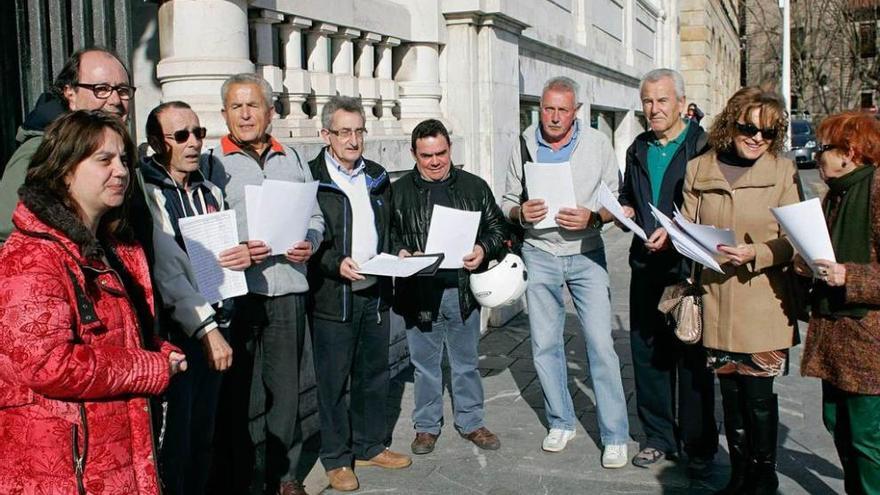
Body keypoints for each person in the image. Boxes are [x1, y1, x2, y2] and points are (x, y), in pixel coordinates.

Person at [0, 110, 185, 494]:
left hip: (115, 455)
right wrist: (150, 366)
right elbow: (48, 364)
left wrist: (158, 352)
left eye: (123, 160)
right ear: (65, 170)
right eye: (104, 160)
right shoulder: (32, 258)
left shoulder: (113, 247)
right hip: (67, 469)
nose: (120, 171)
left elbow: (112, 337)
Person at [501, 76, 630, 468]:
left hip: (587, 254)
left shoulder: (597, 144)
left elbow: (616, 201)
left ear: (576, 112)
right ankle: (561, 420)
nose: (554, 117)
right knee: (544, 343)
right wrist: (519, 213)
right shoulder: (523, 142)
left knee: (601, 345)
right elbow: (507, 199)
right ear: (539, 107)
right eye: (548, 108)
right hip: (539, 251)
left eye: (563, 110)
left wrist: (595, 218)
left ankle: (614, 434)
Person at [679, 86, 800, 495]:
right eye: (749, 127)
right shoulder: (699, 169)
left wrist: (758, 252)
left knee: (759, 396)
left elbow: (795, 240)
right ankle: (739, 475)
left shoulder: (782, 171)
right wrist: (689, 243)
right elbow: (687, 228)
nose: (756, 138)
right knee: (729, 395)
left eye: (768, 132)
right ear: (731, 123)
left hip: (763, 301)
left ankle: (763, 477)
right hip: (717, 299)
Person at [207, 73, 323, 495]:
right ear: (224, 114)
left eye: (253, 105)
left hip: (288, 285)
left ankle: (285, 474)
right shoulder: (210, 162)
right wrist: (236, 248)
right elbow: (203, 229)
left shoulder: (290, 157)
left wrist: (310, 241)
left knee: (286, 390)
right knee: (237, 390)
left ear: (270, 112)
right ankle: (239, 476)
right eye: (236, 106)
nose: (245, 114)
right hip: (239, 292)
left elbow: (314, 216)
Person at [141, 101, 252, 494]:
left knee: (206, 434)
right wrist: (206, 329)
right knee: (177, 442)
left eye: (199, 133)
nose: (193, 143)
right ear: (156, 142)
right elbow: (169, 273)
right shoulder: (149, 193)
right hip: (181, 336)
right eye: (181, 136)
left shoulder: (210, 191)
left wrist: (242, 254)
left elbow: (223, 253)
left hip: (221, 321)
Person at [616, 68, 718, 474]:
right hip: (645, 265)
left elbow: (711, 207)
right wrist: (624, 209)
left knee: (691, 356)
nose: (654, 109)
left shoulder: (702, 145)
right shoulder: (638, 147)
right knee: (647, 354)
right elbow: (629, 194)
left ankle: (698, 446)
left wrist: (674, 233)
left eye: (662, 101)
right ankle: (658, 437)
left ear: (681, 103)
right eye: (647, 101)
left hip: (686, 269)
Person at [307, 96, 411, 492]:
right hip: (335, 296)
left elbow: (390, 228)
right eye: (343, 132)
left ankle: (369, 445)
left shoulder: (378, 175)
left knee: (373, 375)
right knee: (334, 381)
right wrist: (335, 264)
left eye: (358, 131)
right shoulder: (312, 177)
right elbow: (307, 237)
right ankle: (336, 458)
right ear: (325, 134)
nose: (353, 140)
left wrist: (399, 250)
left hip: (375, 292)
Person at [391, 118, 507, 455]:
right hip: (419, 292)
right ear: (414, 154)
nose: (435, 161)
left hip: (461, 290)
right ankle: (426, 427)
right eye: (427, 155)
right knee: (425, 365)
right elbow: (387, 236)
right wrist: (400, 250)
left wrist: (483, 249)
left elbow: (498, 228)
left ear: (450, 149)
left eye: (441, 153)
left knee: (466, 362)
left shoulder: (474, 187)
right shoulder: (398, 192)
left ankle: (471, 422)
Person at [798, 111, 880, 495]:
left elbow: (853, 268)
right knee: (837, 425)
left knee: (866, 439)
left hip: (868, 345)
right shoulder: (837, 193)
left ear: (848, 151)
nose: (818, 157)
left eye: (823, 149)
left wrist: (850, 276)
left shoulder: (876, 190)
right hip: (835, 337)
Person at [0, 47, 134, 245]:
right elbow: (7, 235)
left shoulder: (123, 149)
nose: (115, 100)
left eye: (122, 90)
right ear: (70, 94)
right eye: (101, 89)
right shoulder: (40, 150)